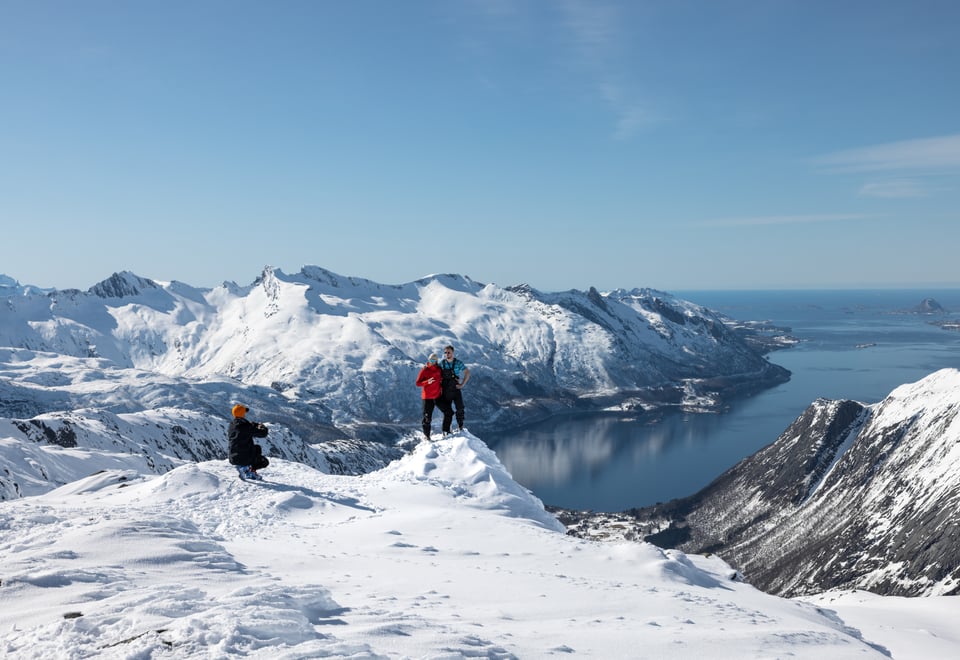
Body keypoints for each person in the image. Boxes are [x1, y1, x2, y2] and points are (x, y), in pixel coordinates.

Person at [227, 404, 270, 480]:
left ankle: (245, 468)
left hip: (233, 456)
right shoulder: (245, 426)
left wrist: (253, 425)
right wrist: (263, 427)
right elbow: (263, 433)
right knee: (264, 462)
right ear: (242, 414)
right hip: (243, 457)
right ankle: (248, 471)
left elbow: (246, 428)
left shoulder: (232, 425)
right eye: (244, 412)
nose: (245, 414)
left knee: (257, 448)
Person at [438, 344, 470, 433]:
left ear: (453, 353)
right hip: (445, 389)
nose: (447, 354)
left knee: (460, 408)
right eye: (445, 353)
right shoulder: (442, 364)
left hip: (456, 389)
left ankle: (461, 427)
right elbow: (436, 374)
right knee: (447, 411)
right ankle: (447, 430)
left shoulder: (458, 363)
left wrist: (462, 384)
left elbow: (467, 372)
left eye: (449, 352)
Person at [415, 353, 443, 440]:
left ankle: (447, 431)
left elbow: (442, 379)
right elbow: (418, 383)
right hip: (427, 397)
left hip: (438, 396)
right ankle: (427, 436)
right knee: (427, 418)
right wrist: (427, 382)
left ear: (437, 361)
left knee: (448, 411)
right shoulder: (425, 370)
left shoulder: (439, 369)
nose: (432, 362)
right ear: (428, 360)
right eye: (431, 360)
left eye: (434, 360)